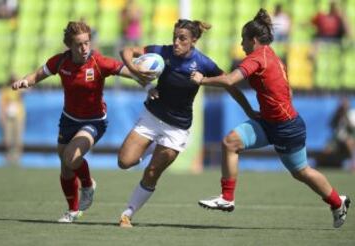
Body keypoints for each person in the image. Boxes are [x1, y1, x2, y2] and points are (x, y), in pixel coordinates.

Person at [191, 9, 351, 228]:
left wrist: (202, 80)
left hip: (286, 127)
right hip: (269, 122)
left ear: (254, 40)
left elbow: (229, 80)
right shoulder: (269, 53)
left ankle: (337, 201)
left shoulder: (257, 58)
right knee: (230, 142)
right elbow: (288, 90)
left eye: (243, 40)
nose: (241, 44)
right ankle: (227, 198)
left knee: (301, 172)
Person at [116, 19, 254, 228]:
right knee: (124, 162)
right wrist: (137, 73)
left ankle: (128, 214)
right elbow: (126, 51)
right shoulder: (162, 52)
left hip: (177, 128)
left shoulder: (204, 64)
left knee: (152, 172)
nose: (177, 42)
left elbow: (230, 85)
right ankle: (151, 145)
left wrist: (249, 110)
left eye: (182, 39)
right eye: (175, 37)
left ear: (194, 41)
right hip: (152, 117)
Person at [11, 21, 142, 223]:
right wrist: (25, 81)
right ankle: (72, 210)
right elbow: (38, 74)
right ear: (69, 46)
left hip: (94, 121)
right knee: (65, 167)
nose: (84, 48)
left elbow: (127, 71)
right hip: (69, 119)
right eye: (79, 44)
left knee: (71, 159)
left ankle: (88, 185)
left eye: (87, 43)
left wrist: (143, 77)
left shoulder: (99, 62)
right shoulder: (60, 62)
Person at [0, 74, 25, 166]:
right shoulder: (5, 90)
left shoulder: (19, 89)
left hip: (18, 116)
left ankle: (17, 156)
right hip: (8, 115)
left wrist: (21, 82)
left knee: (18, 137)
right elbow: (2, 103)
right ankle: (8, 155)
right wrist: (1, 115)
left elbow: (27, 90)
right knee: (7, 137)